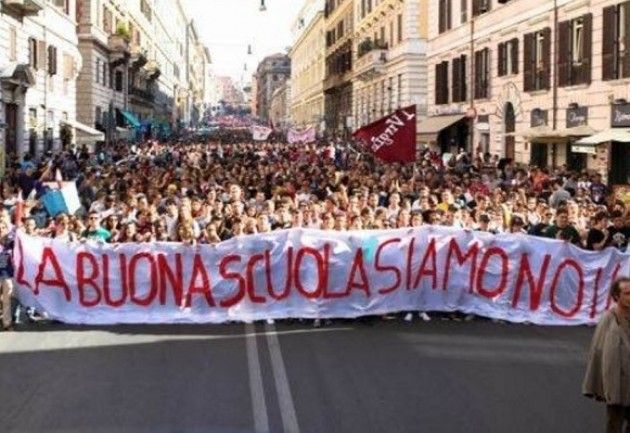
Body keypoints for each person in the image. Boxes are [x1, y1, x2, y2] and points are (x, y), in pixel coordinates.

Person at [583, 277, 630, 433]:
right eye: (627, 293)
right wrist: (599, 385)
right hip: (617, 384)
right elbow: (598, 352)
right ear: (616, 296)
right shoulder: (608, 320)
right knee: (614, 424)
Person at [0, 221, 14, 331]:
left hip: (6, 273)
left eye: (3, 227)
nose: (1, 230)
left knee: (7, 298)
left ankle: (7, 323)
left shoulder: (10, 243)